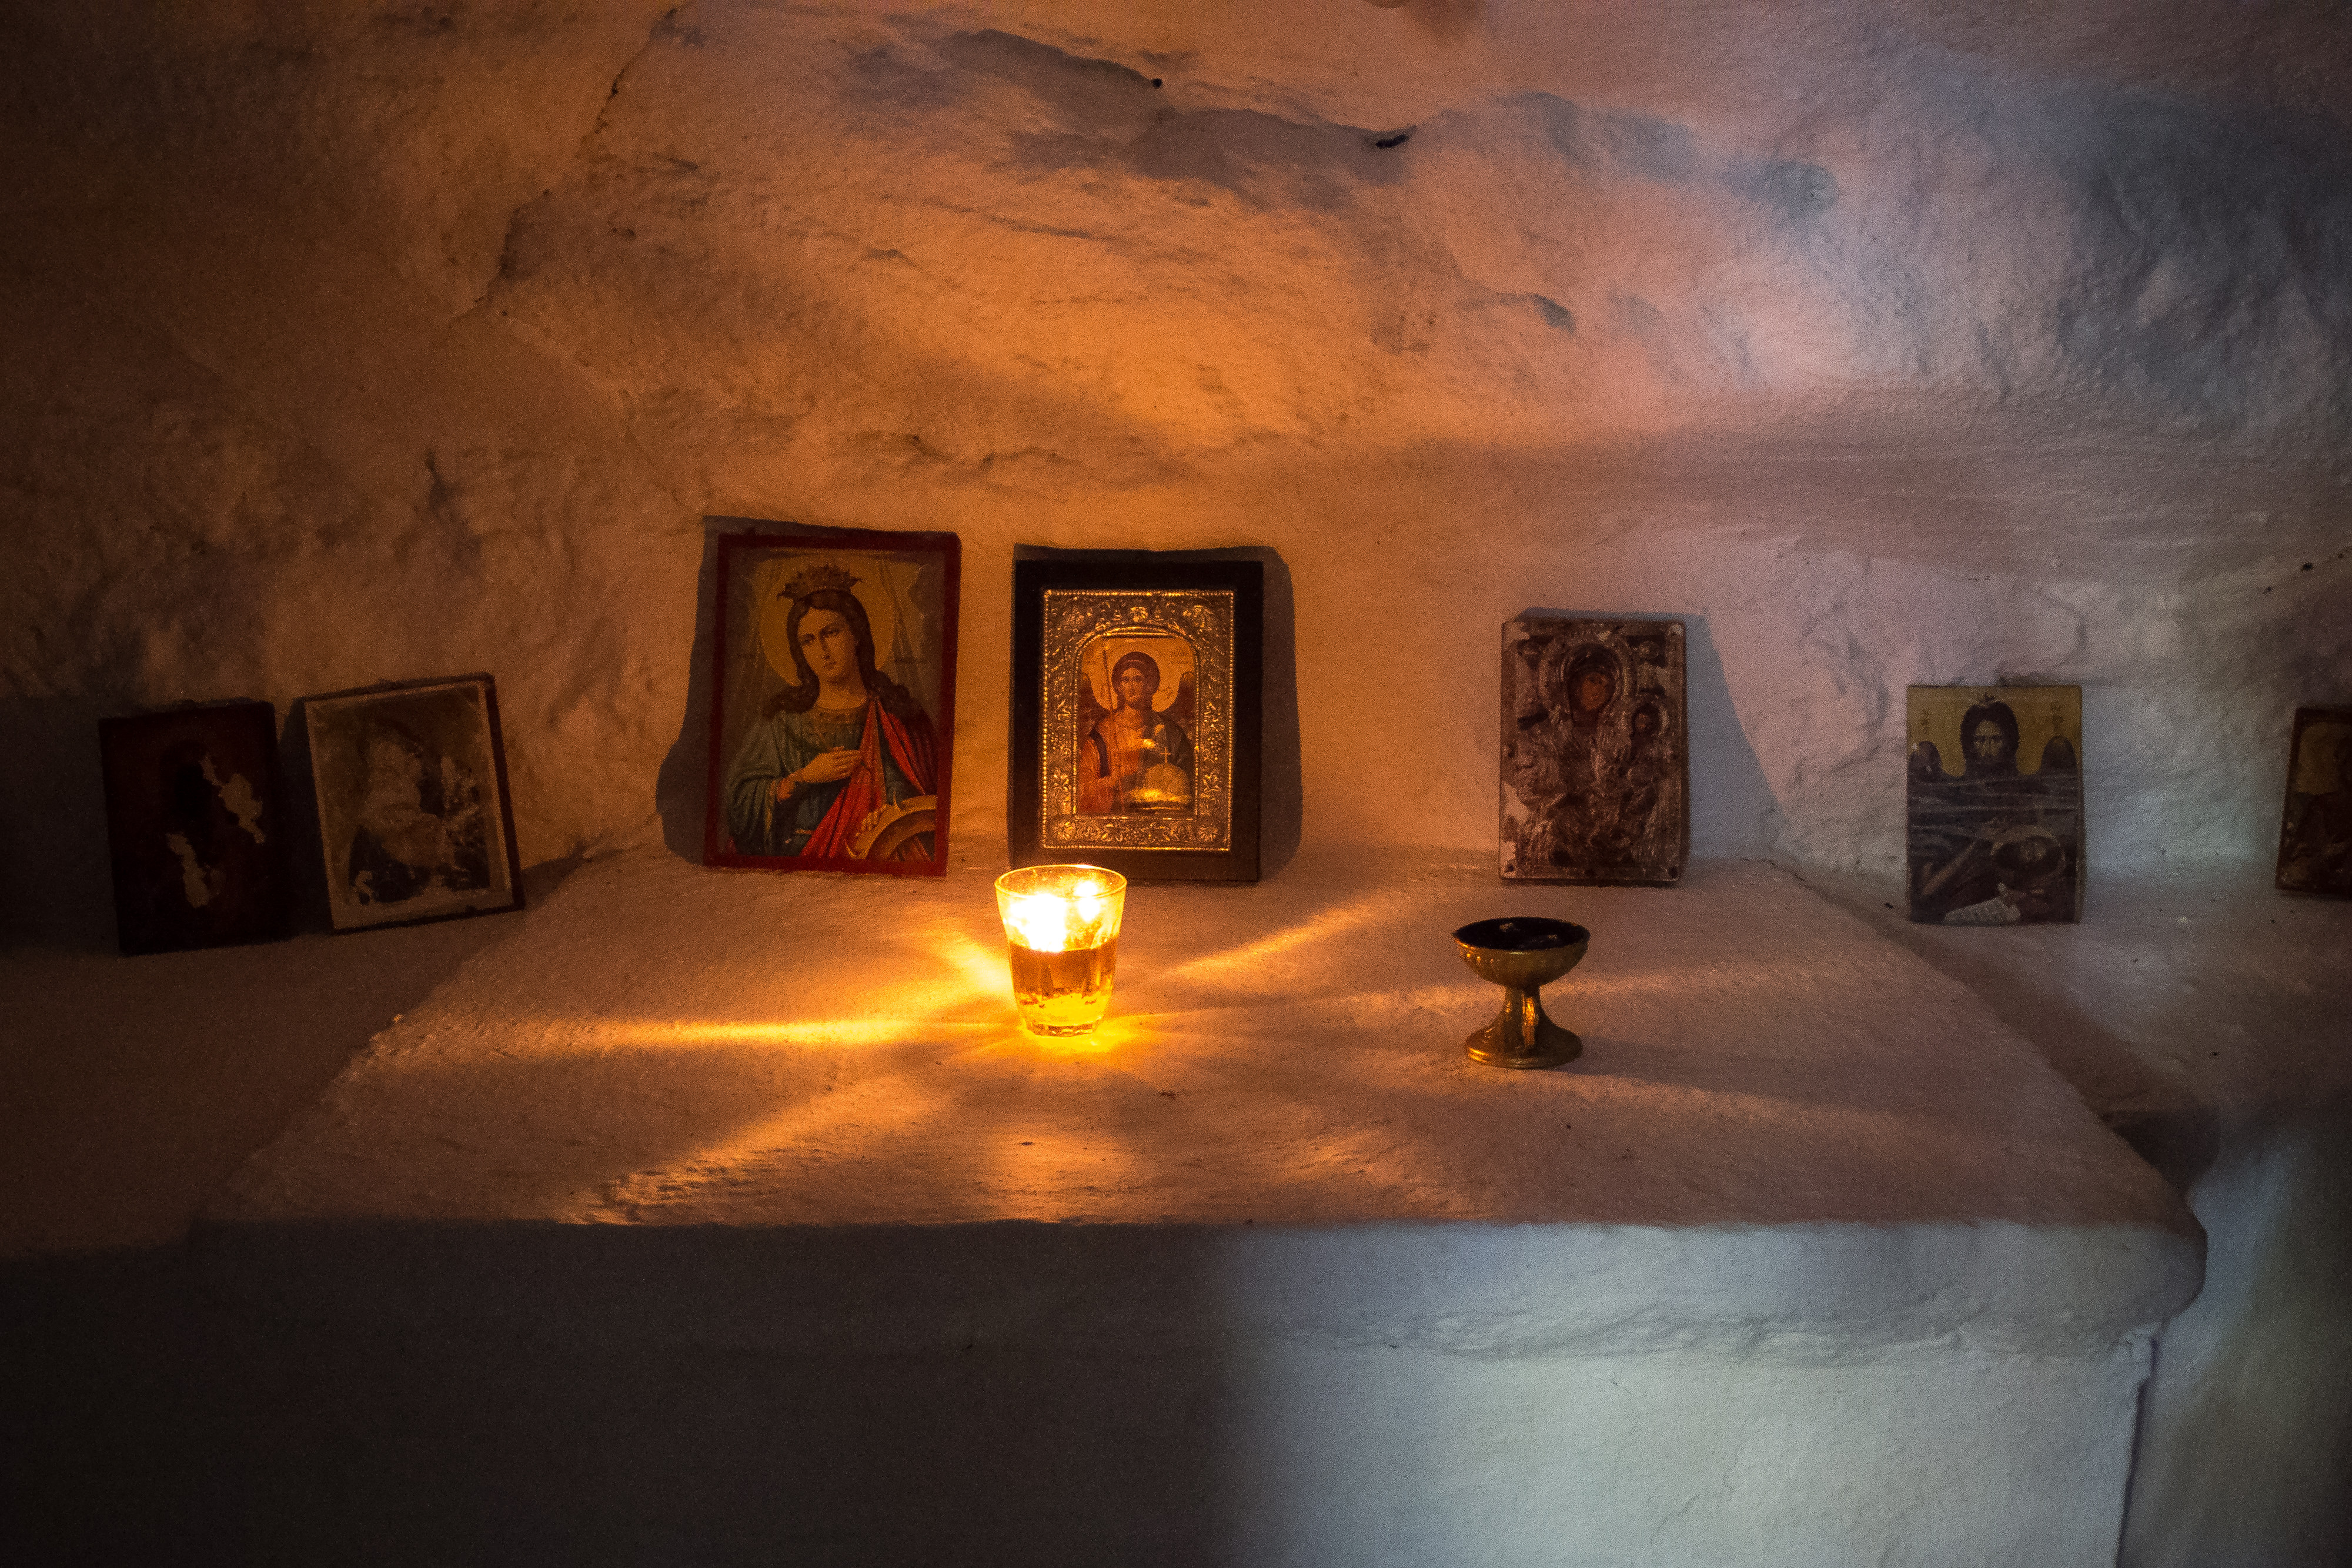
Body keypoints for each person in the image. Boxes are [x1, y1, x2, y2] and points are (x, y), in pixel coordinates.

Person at [723, 565, 937, 857]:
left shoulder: (899, 716)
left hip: (875, 854)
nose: (822, 650)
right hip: (798, 861)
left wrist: (889, 813)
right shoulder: (781, 721)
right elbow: (739, 804)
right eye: (808, 640)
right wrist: (802, 778)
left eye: (831, 633)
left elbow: (928, 797)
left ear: (857, 634)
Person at [348, 720, 489, 905]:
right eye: (381, 772)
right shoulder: (369, 837)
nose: (383, 781)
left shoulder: (450, 808)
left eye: (411, 759)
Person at [1079, 650, 1192, 815]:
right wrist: (1112, 782)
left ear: (1149, 685)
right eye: (1125, 680)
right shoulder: (1102, 735)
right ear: (1119, 686)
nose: (1131, 686)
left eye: (1138, 679)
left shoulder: (1171, 733)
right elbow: (1082, 791)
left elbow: (1187, 787)